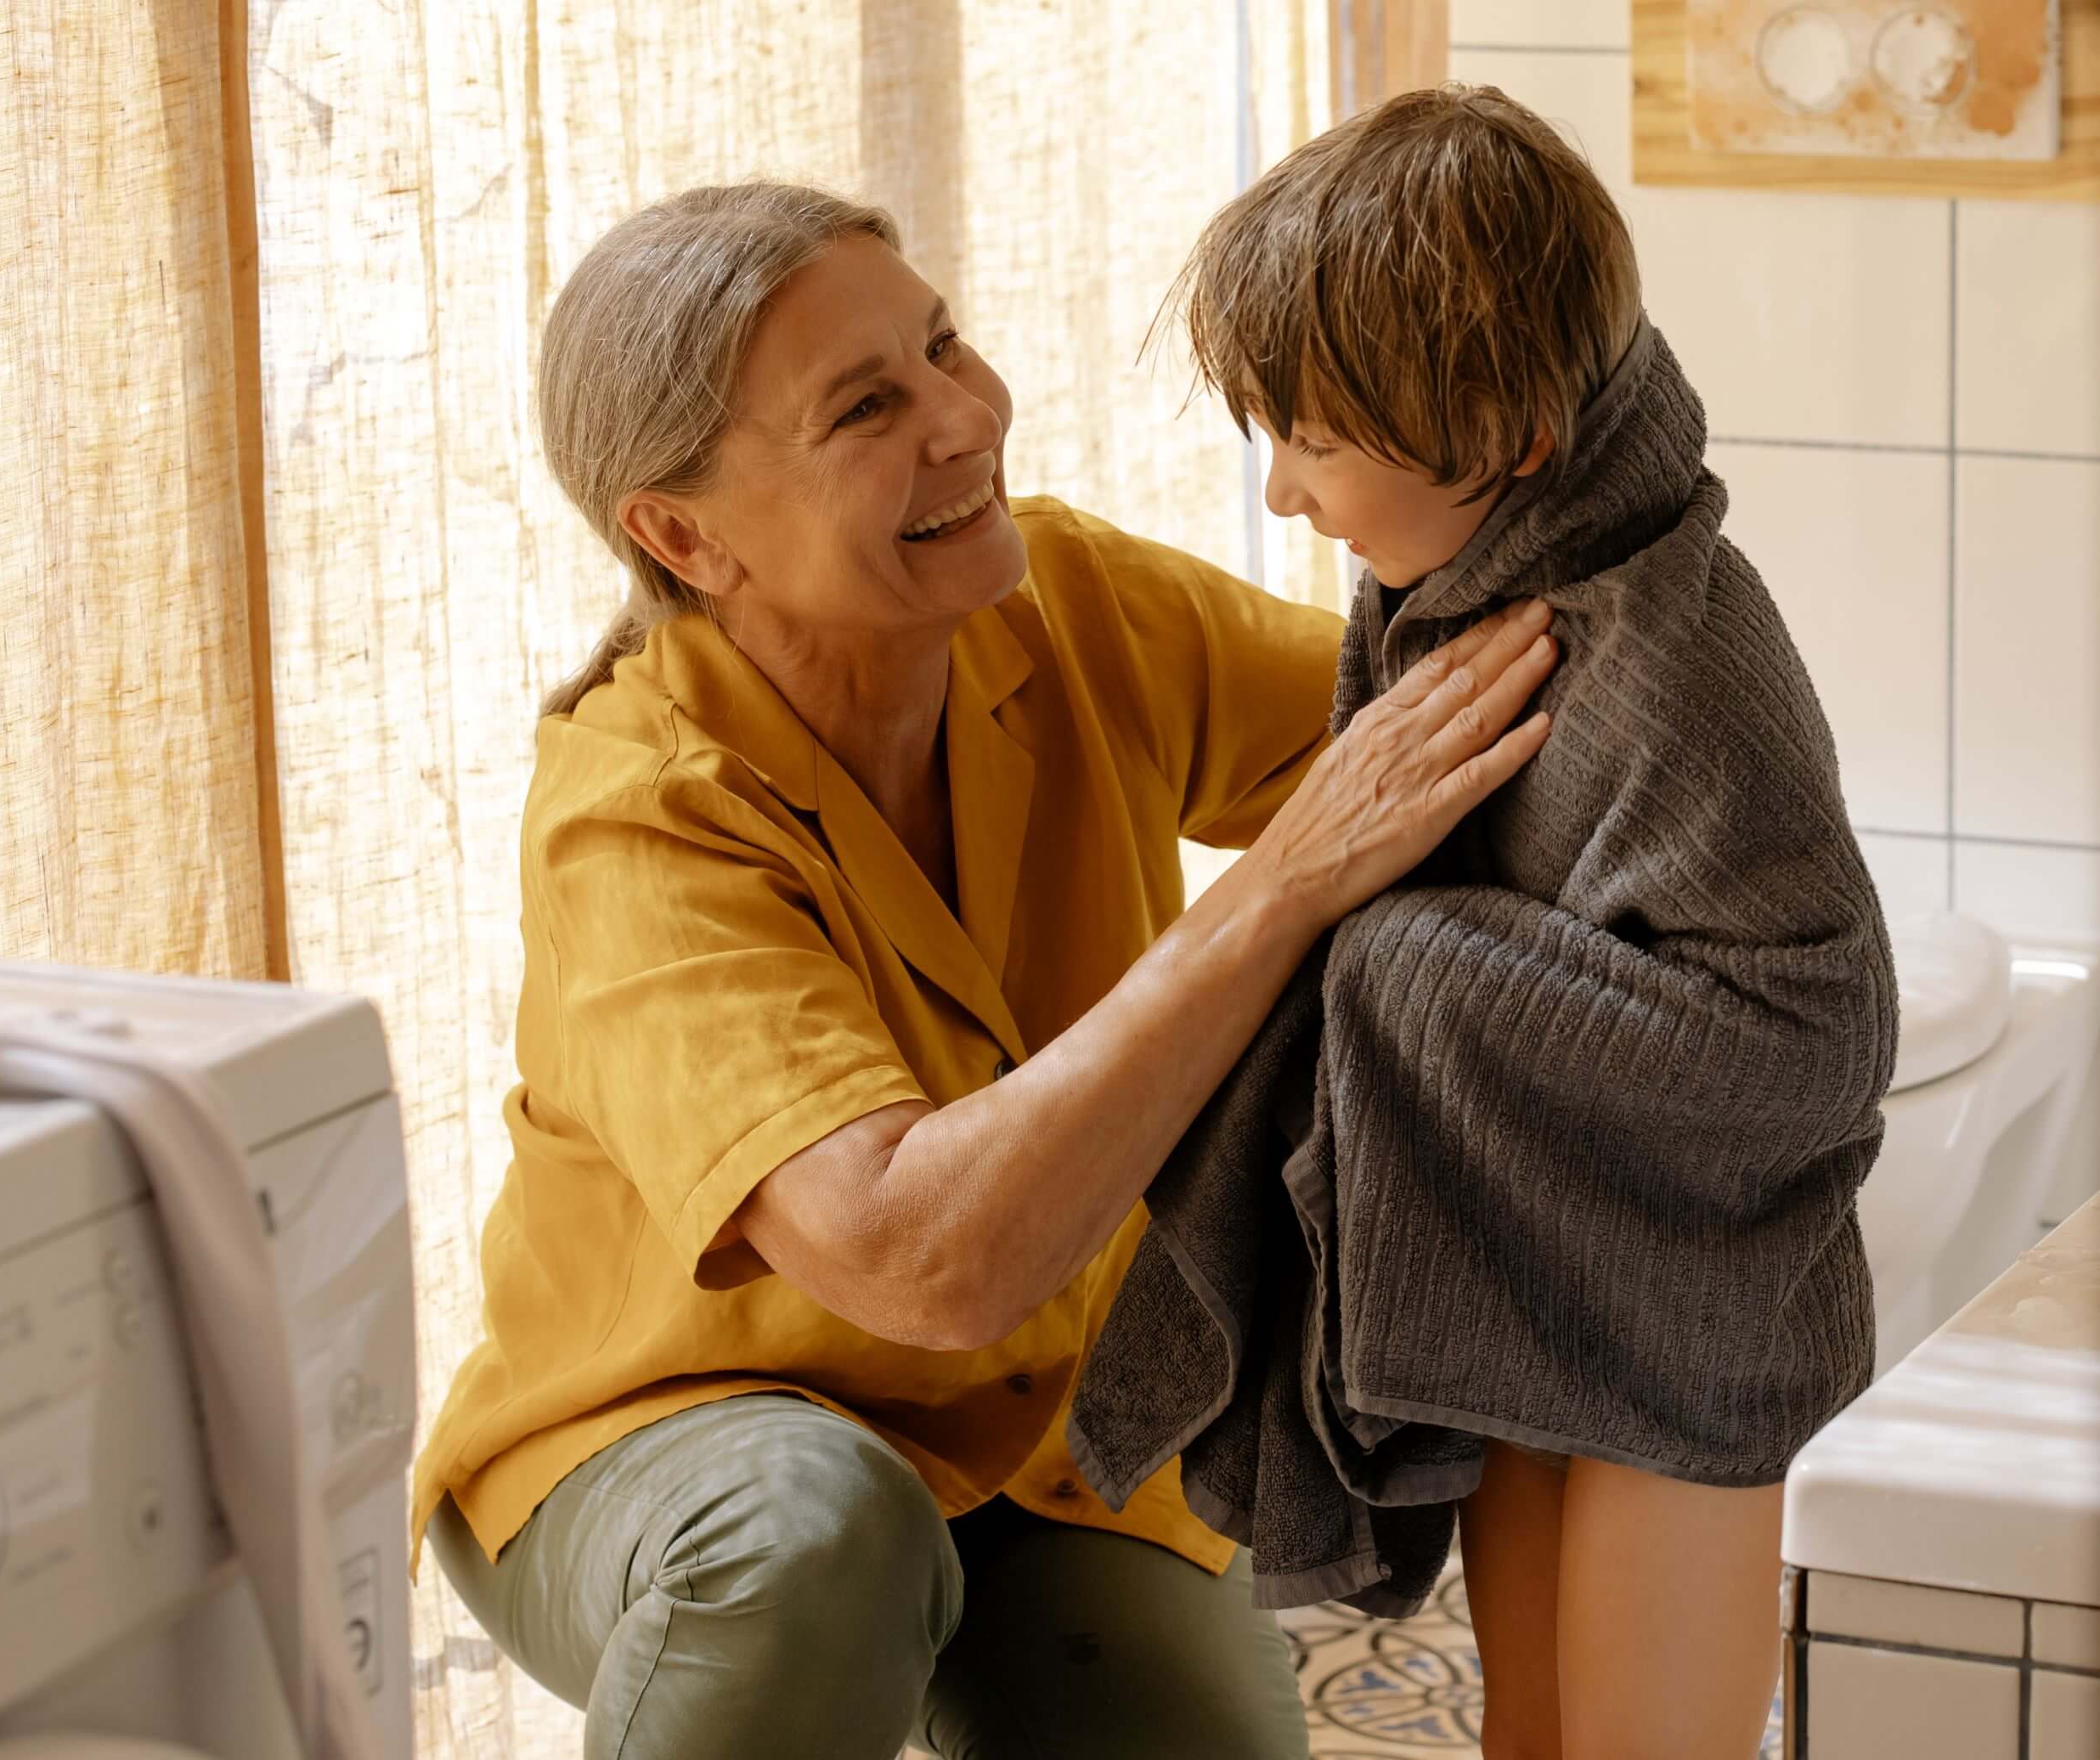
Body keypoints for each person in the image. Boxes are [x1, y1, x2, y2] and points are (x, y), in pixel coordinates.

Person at [410, 179, 1558, 1760]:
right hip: (660, 1439)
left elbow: (1455, 732)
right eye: (867, 405)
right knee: (819, 1543)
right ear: (682, 536)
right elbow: (911, 1257)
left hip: (1045, 1445)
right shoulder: (639, 821)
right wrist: (1278, 892)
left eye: (943, 346)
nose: (964, 419)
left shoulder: (1070, 603)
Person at [1143, 85, 1895, 1759]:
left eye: (1315, 439)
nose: (1281, 493)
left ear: (1507, 433)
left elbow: (1824, 1036)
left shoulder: (1675, 648)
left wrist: (1403, 964)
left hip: (1698, 1335)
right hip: (1543, 1280)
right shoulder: (1458, 597)